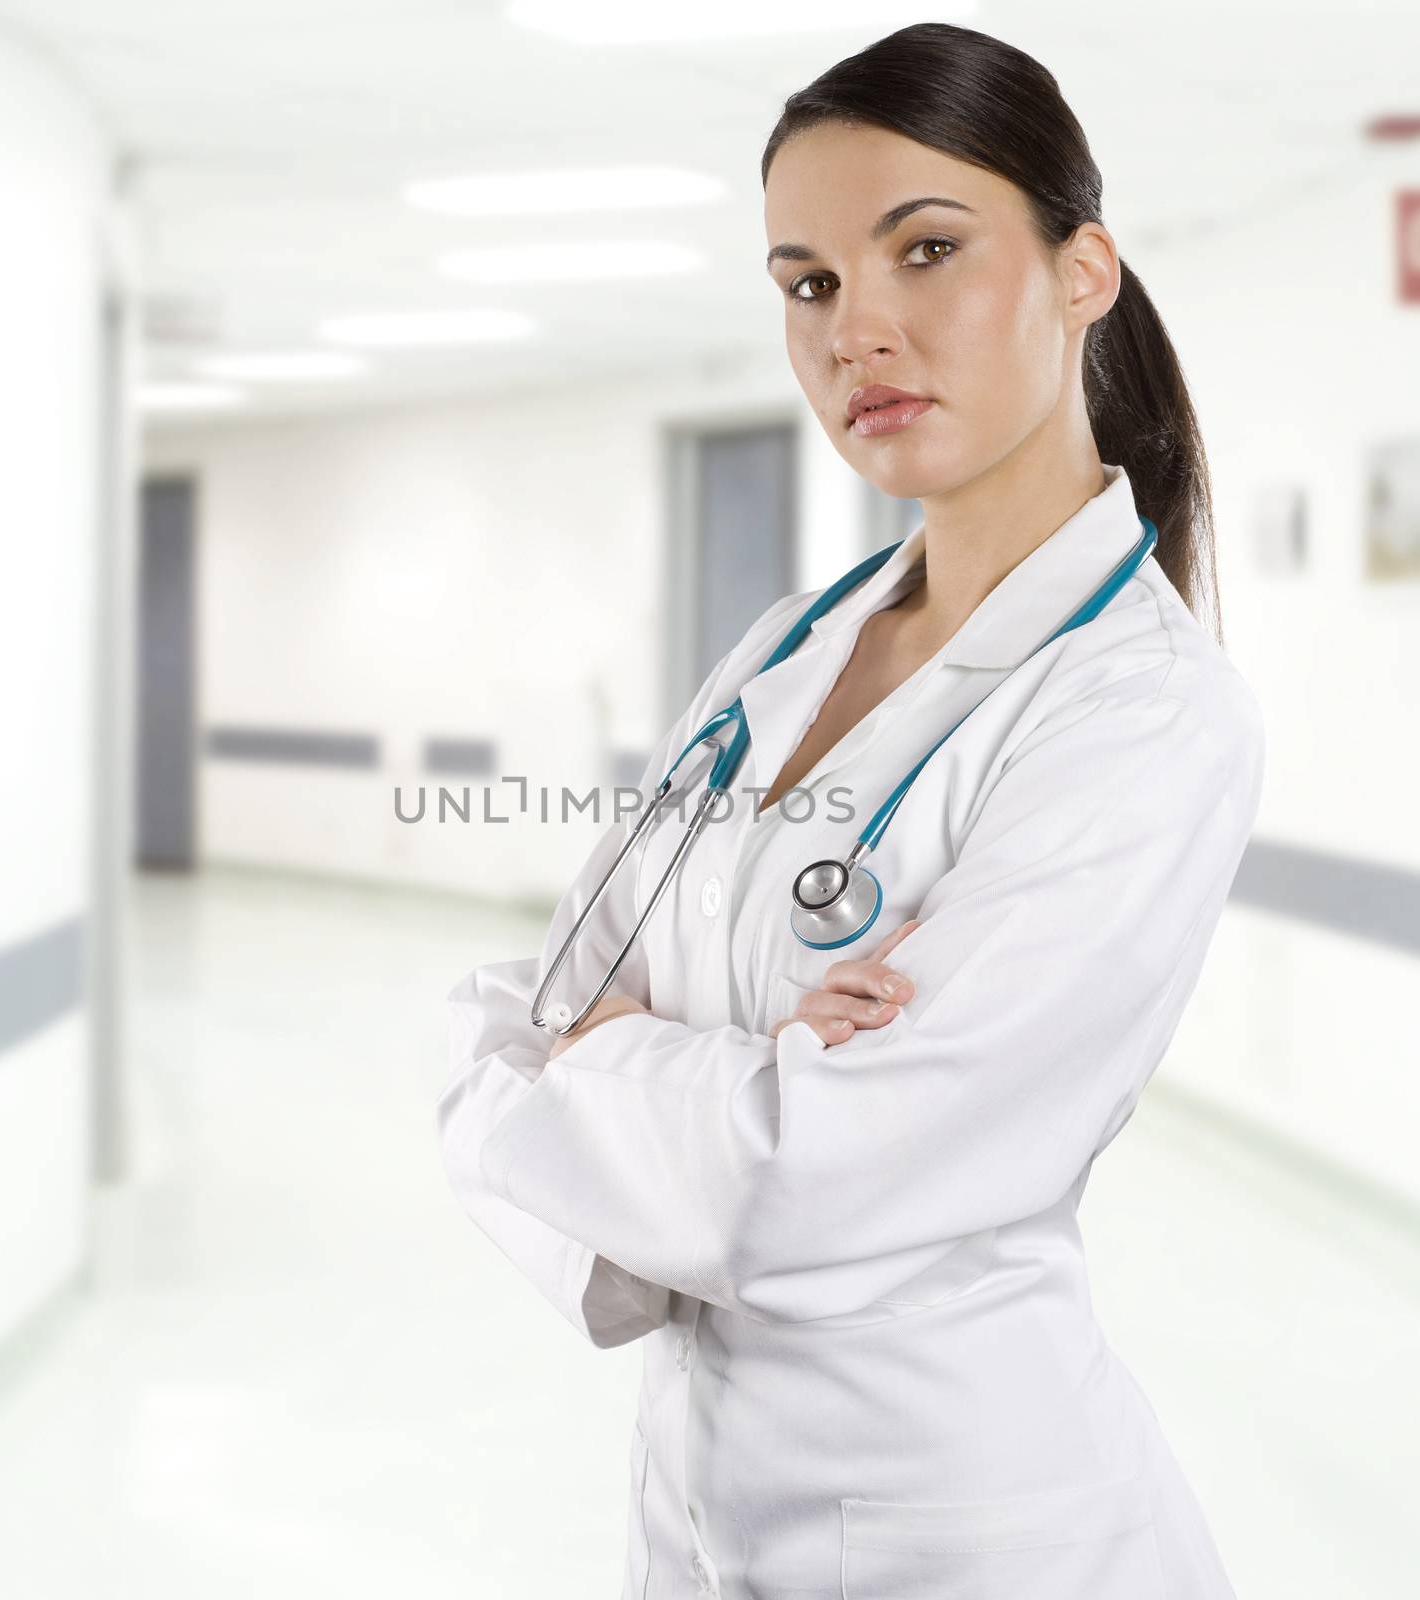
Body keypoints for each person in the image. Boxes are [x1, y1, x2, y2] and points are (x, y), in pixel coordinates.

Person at [437, 21, 1263, 1599]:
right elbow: (494, 1036)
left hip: (970, 1525)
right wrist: (733, 1077)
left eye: (927, 250)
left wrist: (616, 1057)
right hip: (694, 1505)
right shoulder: (781, 650)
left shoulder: (1140, 709)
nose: (854, 331)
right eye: (807, 284)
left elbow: (811, 1177)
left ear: (1082, 270)